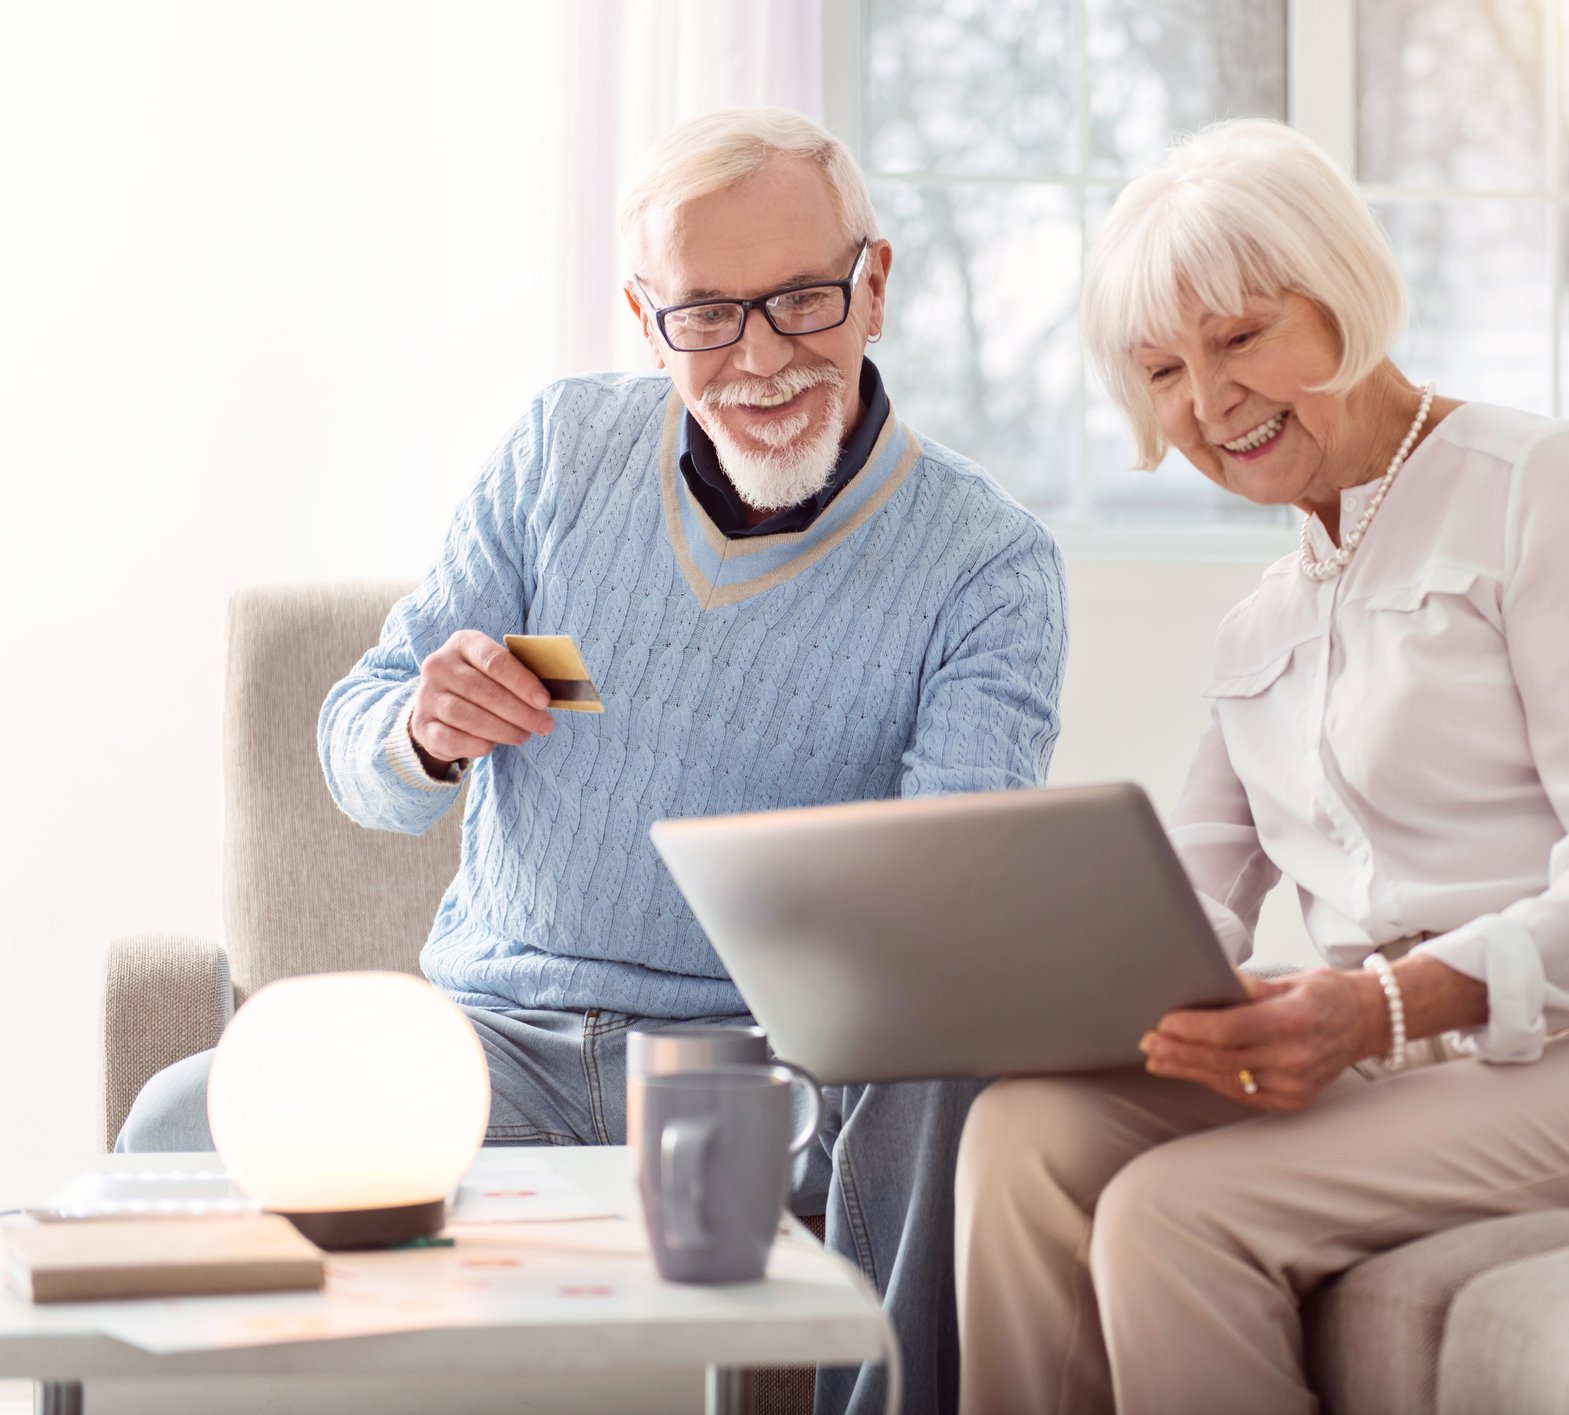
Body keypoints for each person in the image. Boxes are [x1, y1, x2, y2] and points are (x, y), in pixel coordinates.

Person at [115, 107, 1068, 1415]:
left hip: (754, 1070)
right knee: (178, 1125)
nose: (762, 357)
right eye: (707, 316)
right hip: (485, 1041)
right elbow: (361, 735)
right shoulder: (559, 450)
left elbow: (949, 890)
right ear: (643, 312)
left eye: (800, 299)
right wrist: (419, 728)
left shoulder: (986, 563)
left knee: (936, 1059)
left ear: (874, 284)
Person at [951, 120, 1569, 1415]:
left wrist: (1376, 1006)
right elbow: (1181, 902)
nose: (1207, 399)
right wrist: (1031, 984)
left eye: (1238, 337)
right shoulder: (1258, 619)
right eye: (1161, 370)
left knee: (1173, 1214)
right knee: (1023, 1131)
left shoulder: (1540, 482)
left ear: (1338, 295)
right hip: (1432, 1047)